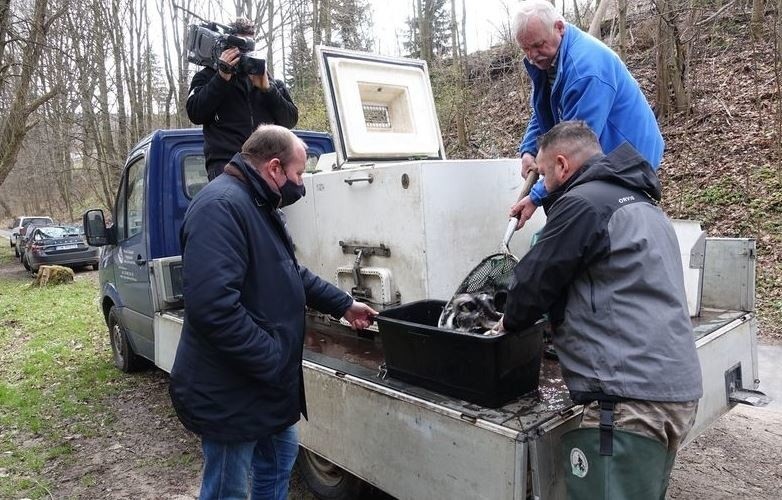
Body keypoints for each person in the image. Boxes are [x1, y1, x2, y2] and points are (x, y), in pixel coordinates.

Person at [169, 124, 377, 499]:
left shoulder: (258, 203)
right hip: (231, 391)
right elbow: (213, 308)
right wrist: (274, 358)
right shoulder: (221, 208)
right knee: (227, 489)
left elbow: (288, 273)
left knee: (279, 462)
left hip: (264, 386)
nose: (301, 183)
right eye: (299, 173)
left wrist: (344, 305)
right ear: (274, 168)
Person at [496, 121, 702, 499]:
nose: (543, 184)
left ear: (562, 165)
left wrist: (505, 323)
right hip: (674, 389)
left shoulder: (581, 203)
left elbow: (534, 283)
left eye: (542, 174)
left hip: (629, 401)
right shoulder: (642, 203)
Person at [510, 0, 664, 229]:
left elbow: (574, 148)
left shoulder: (586, 70)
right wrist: (529, 150)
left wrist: (536, 196)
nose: (532, 56)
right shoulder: (548, 61)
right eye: (526, 49)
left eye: (538, 45)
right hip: (594, 153)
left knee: (606, 230)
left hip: (628, 159)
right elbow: (542, 110)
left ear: (559, 28)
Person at [186, 18, 299, 181]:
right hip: (227, 167)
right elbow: (195, 113)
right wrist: (222, 77)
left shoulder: (266, 79)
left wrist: (268, 90)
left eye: (249, 47)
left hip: (265, 168)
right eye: (240, 47)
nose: (244, 53)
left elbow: (290, 120)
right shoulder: (206, 77)